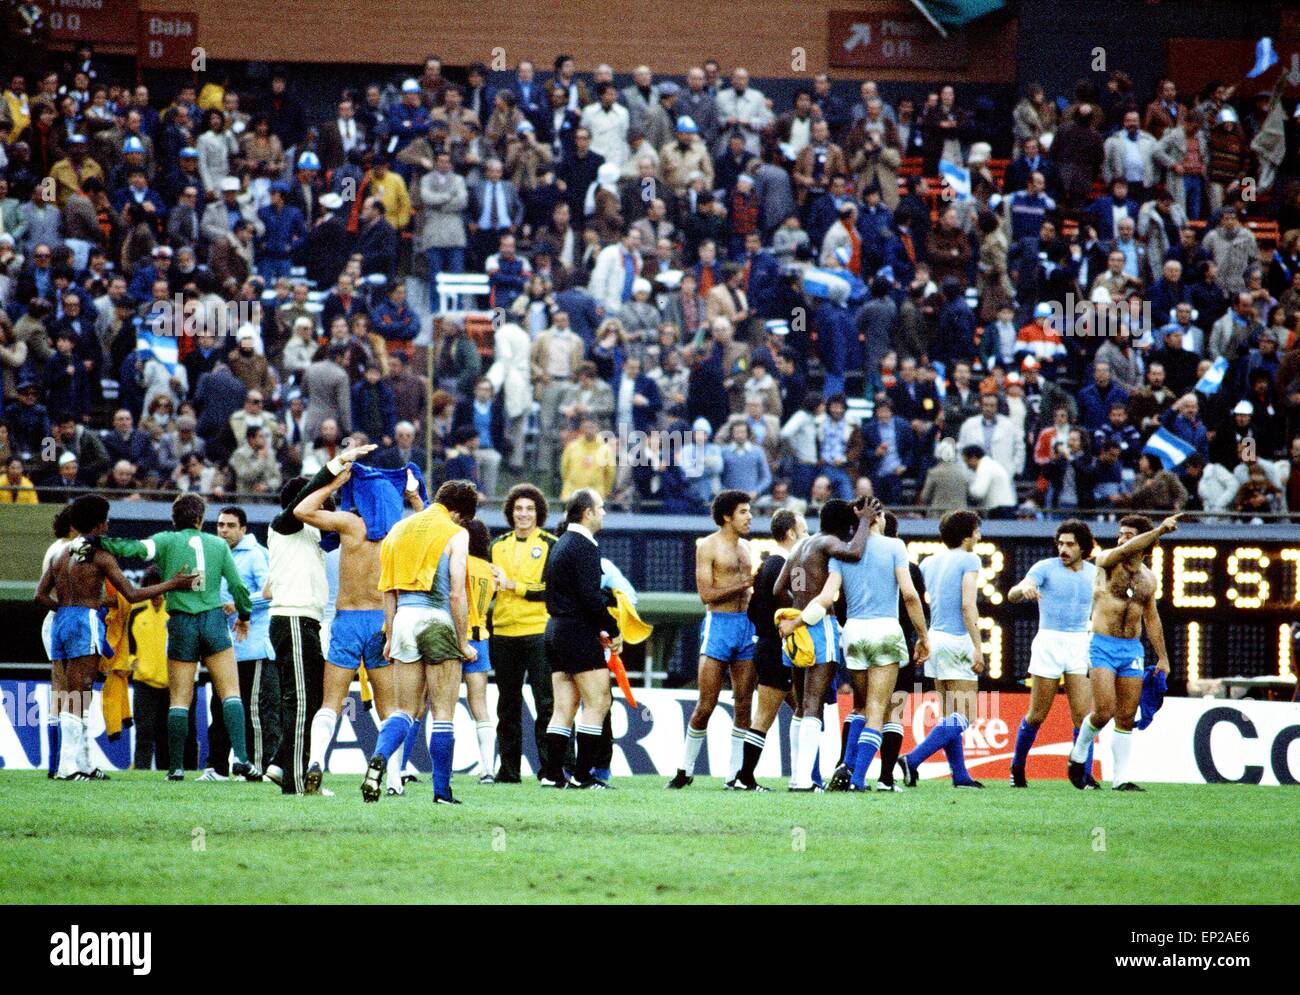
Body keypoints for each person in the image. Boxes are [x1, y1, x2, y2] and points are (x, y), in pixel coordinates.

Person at [93, 493, 255, 783]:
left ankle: (176, 768)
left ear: (174, 518)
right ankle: (242, 760)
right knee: (231, 692)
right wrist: (243, 615)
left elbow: (134, 549)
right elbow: (238, 587)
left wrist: (98, 542)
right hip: (214, 620)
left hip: (180, 621)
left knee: (179, 699)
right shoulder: (218, 544)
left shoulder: (166, 540)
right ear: (200, 519)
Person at [35, 499, 191, 780]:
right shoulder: (100, 556)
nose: (108, 526)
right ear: (98, 524)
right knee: (79, 692)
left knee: (76, 692)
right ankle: (68, 767)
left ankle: (82, 764)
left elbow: (40, 595)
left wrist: (67, 608)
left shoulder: (61, 553)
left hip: (61, 622)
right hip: (85, 622)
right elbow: (131, 594)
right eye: (105, 521)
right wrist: (172, 584)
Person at [295, 457, 424, 797]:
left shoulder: (351, 524)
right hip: (383, 621)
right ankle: (393, 780)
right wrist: (414, 498)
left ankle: (316, 761)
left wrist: (335, 483)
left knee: (331, 703)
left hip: (347, 620)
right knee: (390, 709)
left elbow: (301, 511)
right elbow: (429, 528)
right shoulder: (400, 530)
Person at [365, 479, 479, 805]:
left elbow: (387, 589)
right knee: (442, 713)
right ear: (458, 513)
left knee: (405, 710)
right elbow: (456, 593)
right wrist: (463, 641)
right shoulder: (455, 533)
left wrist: (389, 636)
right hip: (437, 620)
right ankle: (442, 792)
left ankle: (380, 758)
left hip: (402, 621)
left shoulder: (398, 530)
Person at [263, 450, 369, 794]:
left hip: (305, 622)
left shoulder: (310, 536)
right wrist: (337, 467)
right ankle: (294, 779)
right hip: (292, 618)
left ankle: (281, 765)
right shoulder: (284, 525)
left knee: (312, 699)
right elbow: (305, 501)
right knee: (300, 700)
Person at [820, 501, 929, 793]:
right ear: (878, 517)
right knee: (879, 710)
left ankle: (847, 765)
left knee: (859, 706)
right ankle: (857, 780)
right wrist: (923, 635)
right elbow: (909, 594)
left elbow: (828, 596)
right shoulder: (895, 547)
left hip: (853, 632)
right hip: (884, 629)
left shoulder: (842, 552)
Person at [771, 497, 876, 791]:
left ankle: (796, 777)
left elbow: (779, 588)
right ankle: (804, 781)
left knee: (801, 707)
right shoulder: (828, 543)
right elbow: (855, 552)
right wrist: (866, 520)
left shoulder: (801, 546)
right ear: (843, 525)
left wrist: (794, 614)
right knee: (813, 704)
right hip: (818, 626)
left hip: (794, 630)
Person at [1068, 515, 1177, 791]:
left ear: (1144, 541)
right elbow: (1124, 552)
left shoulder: (1148, 579)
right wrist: (1160, 530)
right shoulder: (1106, 560)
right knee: (1104, 711)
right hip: (1102, 644)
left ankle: (1120, 779)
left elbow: (1151, 619)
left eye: (1129, 534)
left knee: (1126, 716)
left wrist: (1162, 657)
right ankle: (1079, 753)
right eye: (1121, 533)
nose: (1122, 539)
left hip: (1131, 648)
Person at [666, 490, 757, 789]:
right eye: (743, 512)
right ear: (727, 516)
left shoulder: (747, 547)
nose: (750, 517)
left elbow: (751, 591)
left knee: (744, 703)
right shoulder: (707, 546)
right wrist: (745, 584)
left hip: (747, 626)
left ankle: (735, 776)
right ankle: (684, 770)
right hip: (719, 625)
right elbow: (706, 594)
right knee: (706, 704)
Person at [1007, 519, 1101, 789]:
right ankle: (1017, 767)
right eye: (1060, 543)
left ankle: (1083, 774)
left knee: (1082, 717)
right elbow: (1014, 593)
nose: (1063, 548)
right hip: (1049, 642)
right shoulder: (1044, 568)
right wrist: (1022, 590)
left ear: (1083, 547)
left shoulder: (1095, 573)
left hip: (1079, 643)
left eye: (1070, 544)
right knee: (1037, 714)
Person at [895, 510, 986, 789]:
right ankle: (912, 759)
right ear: (967, 534)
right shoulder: (970, 559)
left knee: (949, 716)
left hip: (934, 637)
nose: (980, 536)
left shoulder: (929, 562)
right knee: (965, 717)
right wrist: (978, 647)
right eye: (977, 530)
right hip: (958, 638)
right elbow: (967, 605)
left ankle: (960, 776)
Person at [539, 488, 622, 789]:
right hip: (576, 633)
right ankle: (583, 776)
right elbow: (589, 598)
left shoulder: (561, 543)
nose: (603, 513)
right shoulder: (585, 546)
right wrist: (611, 628)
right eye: (600, 508)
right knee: (599, 700)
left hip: (555, 630)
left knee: (564, 707)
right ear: (587, 513)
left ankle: (551, 775)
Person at [203, 507, 279, 780]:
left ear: (243, 529)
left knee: (255, 710)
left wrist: (238, 606)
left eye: (230, 525)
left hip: (253, 645)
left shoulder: (256, 555)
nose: (223, 530)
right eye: (220, 525)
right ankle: (216, 768)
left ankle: (257, 767)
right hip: (223, 647)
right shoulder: (216, 554)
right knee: (220, 708)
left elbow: (272, 593)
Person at [733, 509, 807, 790]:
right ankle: (745, 777)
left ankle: (803, 776)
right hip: (778, 649)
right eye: (803, 530)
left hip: (768, 646)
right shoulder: (784, 567)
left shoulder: (767, 565)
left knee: (803, 710)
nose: (807, 536)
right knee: (764, 717)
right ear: (790, 533)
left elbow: (752, 610)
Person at [489, 484, 557, 783]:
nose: (523, 514)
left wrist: (513, 586)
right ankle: (509, 770)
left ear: (538, 512)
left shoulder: (550, 543)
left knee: (546, 702)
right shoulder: (497, 545)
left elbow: (550, 590)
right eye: (518, 508)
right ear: (510, 512)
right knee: (507, 704)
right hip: (503, 631)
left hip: (537, 631)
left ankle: (549, 769)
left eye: (529, 508)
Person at [461, 519, 499, 783]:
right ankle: (487, 769)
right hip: (480, 638)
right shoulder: (490, 570)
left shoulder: (457, 563)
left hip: (454, 640)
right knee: (480, 706)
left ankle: (405, 768)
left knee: (434, 706)